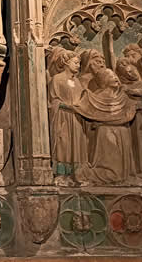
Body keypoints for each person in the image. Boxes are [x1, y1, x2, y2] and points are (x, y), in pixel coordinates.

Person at [46, 48, 87, 184]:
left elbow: (82, 98)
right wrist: (67, 106)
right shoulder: (57, 79)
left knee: (77, 144)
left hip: (76, 117)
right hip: (62, 116)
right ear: (66, 62)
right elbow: (53, 100)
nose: (78, 65)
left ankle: (77, 175)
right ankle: (62, 174)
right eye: (75, 62)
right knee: (63, 144)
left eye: (79, 63)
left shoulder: (78, 82)